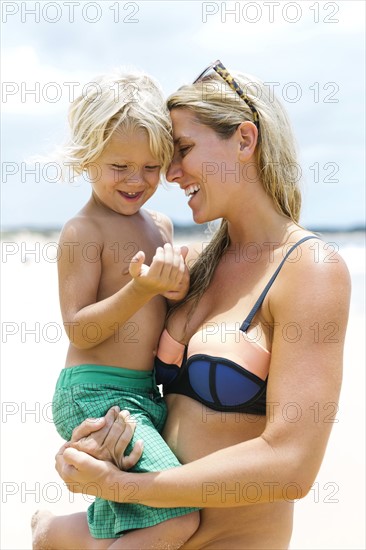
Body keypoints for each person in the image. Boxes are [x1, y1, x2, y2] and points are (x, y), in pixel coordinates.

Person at [54, 60, 351, 549]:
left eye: (182, 151)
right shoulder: (191, 268)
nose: (168, 175)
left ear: (245, 140)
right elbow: (113, 377)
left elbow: (292, 464)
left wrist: (127, 487)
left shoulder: (309, 269)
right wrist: (87, 455)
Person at [31, 68, 200, 549]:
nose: (136, 180)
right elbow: (80, 330)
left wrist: (174, 290)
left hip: (145, 396)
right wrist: (141, 290)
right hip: (93, 394)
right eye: (118, 166)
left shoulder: (161, 226)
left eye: (150, 167)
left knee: (141, 508)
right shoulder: (84, 232)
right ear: (87, 158)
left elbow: (165, 314)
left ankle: (54, 534)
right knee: (176, 516)